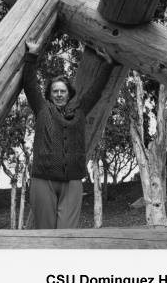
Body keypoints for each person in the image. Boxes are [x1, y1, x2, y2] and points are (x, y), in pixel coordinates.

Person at [23, 39, 115, 229]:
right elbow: (30, 85)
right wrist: (31, 55)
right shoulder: (42, 109)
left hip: (72, 181)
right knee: (45, 233)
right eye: (55, 91)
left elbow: (96, 91)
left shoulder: (80, 111)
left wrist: (107, 65)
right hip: (43, 180)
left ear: (69, 93)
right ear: (49, 94)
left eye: (62, 91)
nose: (58, 94)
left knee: (67, 234)